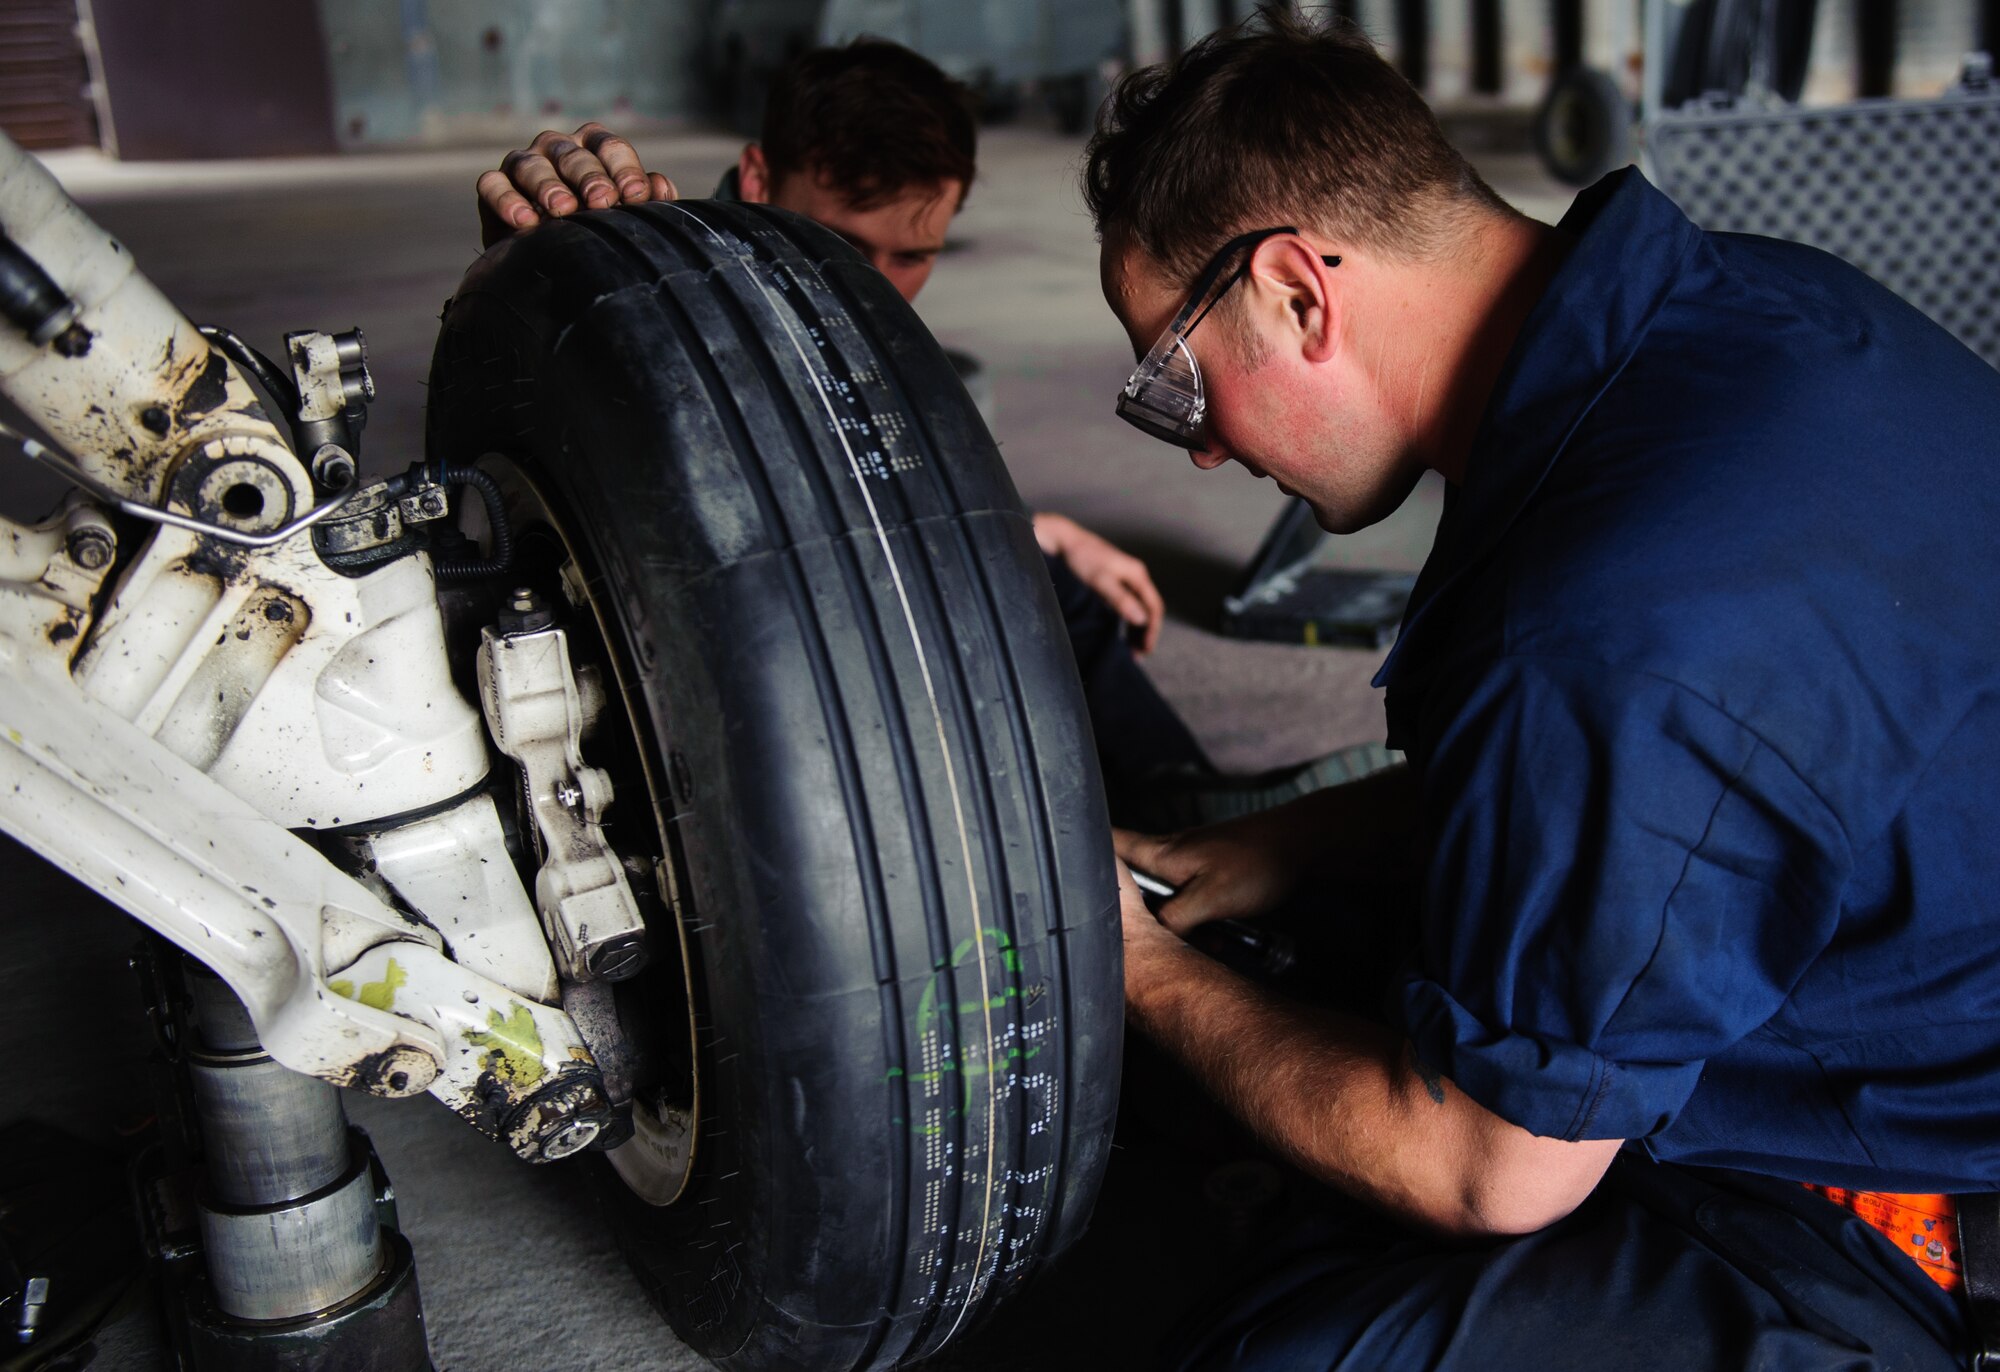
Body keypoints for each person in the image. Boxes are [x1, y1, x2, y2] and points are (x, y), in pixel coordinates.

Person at [1082, 11, 2000, 1372]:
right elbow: (1670, 791)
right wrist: (1273, 846)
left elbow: (1487, 1172)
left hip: (1891, 1191)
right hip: (1886, 958)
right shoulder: (1737, 308)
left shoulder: (1608, 623)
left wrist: (1133, 969)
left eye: (1173, 379)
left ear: (1295, 292)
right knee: (1300, 976)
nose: (1203, 451)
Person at [473, 38, 1244, 823]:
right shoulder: (655, 306)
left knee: (1050, 583)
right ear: (758, 179)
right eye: (842, 244)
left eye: (912, 254)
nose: (873, 285)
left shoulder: (869, 337)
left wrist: (1033, 532)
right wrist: (544, 274)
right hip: (732, 661)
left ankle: (1201, 823)